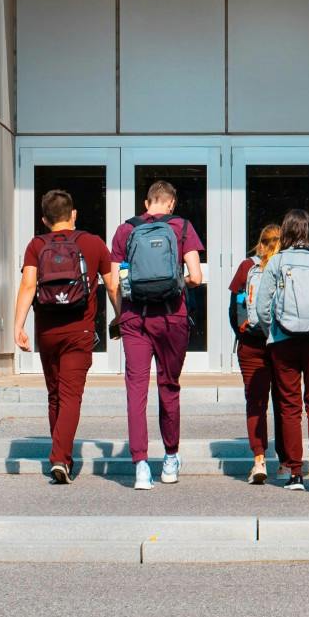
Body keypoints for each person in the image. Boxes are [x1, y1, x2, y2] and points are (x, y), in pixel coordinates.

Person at [13, 188, 119, 484]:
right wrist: (121, 316)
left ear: (45, 220)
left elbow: (27, 286)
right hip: (79, 330)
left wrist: (17, 325)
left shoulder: (36, 245)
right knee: (71, 395)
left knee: (55, 394)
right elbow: (112, 286)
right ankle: (60, 458)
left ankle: (61, 453)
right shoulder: (93, 243)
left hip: (47, 331)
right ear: (73, 215)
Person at [111, 179, 205, 490]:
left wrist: (119, 313)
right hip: (171, 317)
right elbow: (196, 276)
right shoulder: (181, 227)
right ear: (171, 204)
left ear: (147, 202)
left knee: (136, 390)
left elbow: (114, 283)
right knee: (169, 385)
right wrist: (176, 282)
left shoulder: (126, 229)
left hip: (134, 318)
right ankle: (169, 459)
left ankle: (140, 466)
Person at [256, 207, 309, 490]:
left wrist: (272, 333)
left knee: (289, 406)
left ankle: (294, 472)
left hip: (284, 341)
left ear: (286, 232)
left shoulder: (277, 262)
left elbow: (261, 307)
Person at [229, 223, 284, 485]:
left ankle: (259, 460)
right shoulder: (286, 265)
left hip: (251, 344)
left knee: (256, 403)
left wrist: (243, 336)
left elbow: (234, 309)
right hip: (282, 343)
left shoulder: (246, 266)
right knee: (285, 403)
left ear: (260, 242)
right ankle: (286, 463)